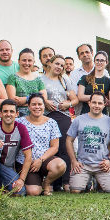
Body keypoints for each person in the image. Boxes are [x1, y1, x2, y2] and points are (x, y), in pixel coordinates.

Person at [15, 94, 66, 195]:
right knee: (33, 192)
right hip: (25, 162)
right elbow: (2, 125)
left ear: (44, 106)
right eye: (33, 104)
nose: (37, 107)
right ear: (28, 106)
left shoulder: (52, 123)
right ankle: (33, 182)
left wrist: (40, 160)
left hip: (44, 160)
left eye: (40, 104)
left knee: (60, 165)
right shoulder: (19, 122)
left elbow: (54, 147)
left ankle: (46, 184)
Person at [65, 92, 110, 193]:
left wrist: (109, 161)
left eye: (100, 103)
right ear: (89, 103)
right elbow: (69, 140)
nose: (96, 106)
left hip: (102, 164)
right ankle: (87, 182)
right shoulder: (79, 120)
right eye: (94, 102)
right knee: (75, 191)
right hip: (83, 165)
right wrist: (74, 161)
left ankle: (97, 183)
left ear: (104, 104)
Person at [40, 54, 78, 190]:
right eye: (57, 64)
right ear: (50, 63)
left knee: (64, 148)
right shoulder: (40, 78)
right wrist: (44, 102)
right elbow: (36, 97)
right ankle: (50, 182)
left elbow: (75, 99)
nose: (59, 67)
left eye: (62, 65)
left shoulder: (64, 79)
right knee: (51, 148)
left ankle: (65, 182)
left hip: (63, 116)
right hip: (46, 116)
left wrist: (68, 104)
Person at [6, 48, 47, 117]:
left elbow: (43, 99)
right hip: (19, 117)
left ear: (34, 62)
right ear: (18, 61)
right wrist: (34, 100)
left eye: (30, 60)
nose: (27, 63)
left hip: (36, 117)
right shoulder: (13, 78)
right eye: (24, 60)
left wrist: (25, 99)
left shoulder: (39, 79)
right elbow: (12, 100)